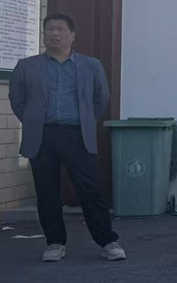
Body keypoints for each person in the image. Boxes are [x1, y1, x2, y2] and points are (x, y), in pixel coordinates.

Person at [8, 14, 125, 263]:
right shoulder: (27, 66)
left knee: (91, 191)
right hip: (42, 136)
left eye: (60, 29)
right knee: (47, 193)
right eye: (49, 29)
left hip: (77, 135)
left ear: (72, 36)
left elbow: (100, 98)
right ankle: (55, 243)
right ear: (43, 35)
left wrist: (83, 121)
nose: (54, 33)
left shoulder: (91, 65)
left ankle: (107, 241)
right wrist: (33, 122)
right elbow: (17, 100)